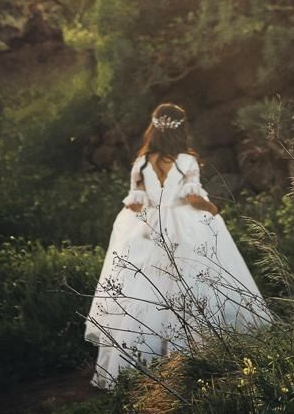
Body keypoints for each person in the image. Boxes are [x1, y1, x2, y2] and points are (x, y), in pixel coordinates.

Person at [85, 101, 270, 388]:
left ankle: (143, 364)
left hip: (151, 229)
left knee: (149, 290)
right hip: (184, 229)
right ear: (182, 129)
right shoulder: (186, 160)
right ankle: (192, 358)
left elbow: (135, 204)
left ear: (154, 129)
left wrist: (151, 214)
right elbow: (192, 198)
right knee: (193, 284)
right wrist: (212, 208)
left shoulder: (142, 162)